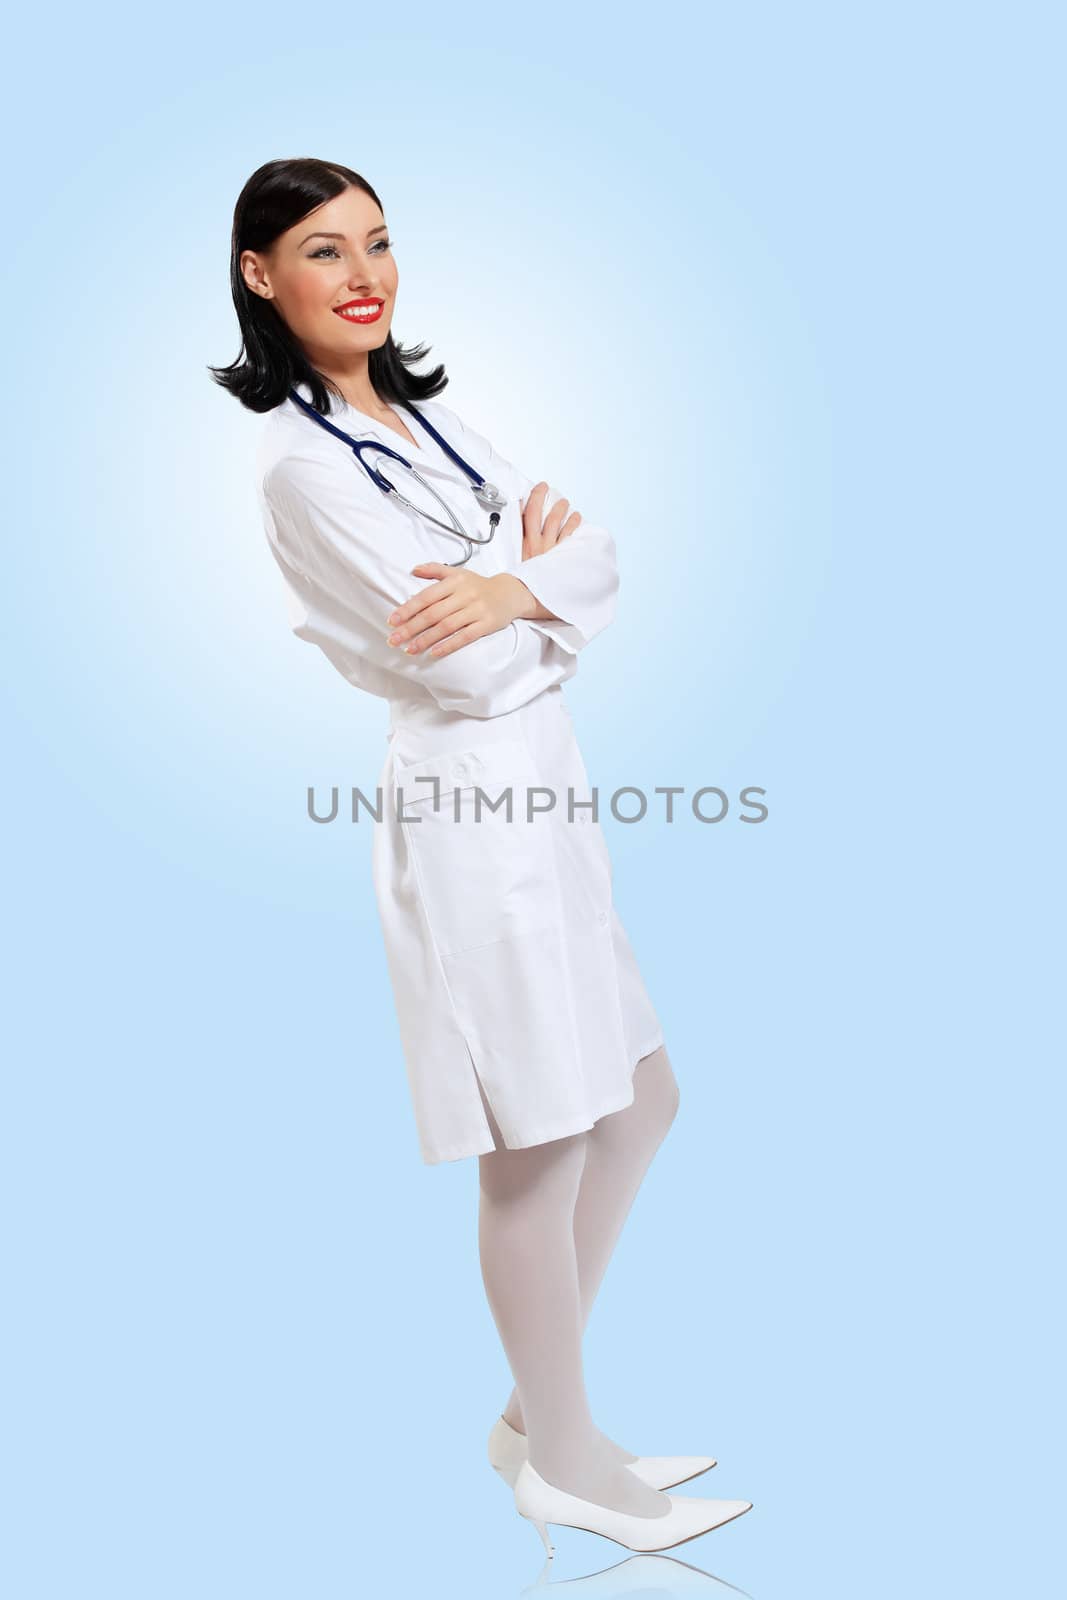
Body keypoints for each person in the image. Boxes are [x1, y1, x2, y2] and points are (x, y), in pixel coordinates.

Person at [209, 157, 751, 1552]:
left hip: (548, 794)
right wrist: (530, 592)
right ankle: (561, 1461)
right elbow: (460, 674)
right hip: (467, 808)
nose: (363, 273)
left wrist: (515, 586)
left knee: (640, 1098)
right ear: (264, 278)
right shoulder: (300, 467)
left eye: (378, 242)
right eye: (323, 252)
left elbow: (594, 555)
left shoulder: (430, 421)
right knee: (539, 1133)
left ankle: (539, 1412)